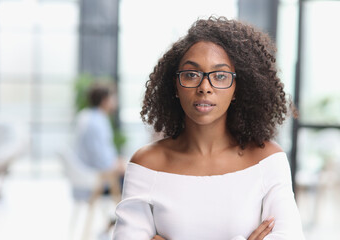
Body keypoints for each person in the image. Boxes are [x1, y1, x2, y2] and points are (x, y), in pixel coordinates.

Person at [112, 17, 304, 240]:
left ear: (237, 88)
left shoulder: (267, 159)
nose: (205, 87)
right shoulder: (147, 164)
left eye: (220, 76)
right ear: (175, 85)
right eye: (191, 74)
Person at [74, 83, 125, 196]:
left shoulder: (88, 116)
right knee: (135, 177)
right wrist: (118, 165)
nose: (115, 101)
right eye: (113, 97)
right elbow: (100, 158)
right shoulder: (97, 122)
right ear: (104, 100)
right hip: (97, 178)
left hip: (89, 172)